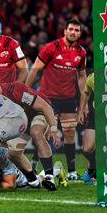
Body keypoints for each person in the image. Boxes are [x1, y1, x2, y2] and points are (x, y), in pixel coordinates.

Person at [26, 19, 87, 180]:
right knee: (45, 134)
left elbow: (81, 77)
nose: (73, 32)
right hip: (48, 98)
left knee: (69, 132)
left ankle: (72, 171)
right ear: (65, 31)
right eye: (71, 29)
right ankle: (33, 164)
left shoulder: (81, 52)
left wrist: (84, 101)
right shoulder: (51, 48)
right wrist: (25, 91)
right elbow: (35, 70)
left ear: (79, 34)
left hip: (68, 99)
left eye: (77, 30)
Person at [0, 76, 62, 191]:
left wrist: (53, 129)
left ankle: (49, 177)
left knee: (36, 132)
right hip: (20, 120)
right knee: (13, 154)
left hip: (37, 112)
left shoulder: (16, 91)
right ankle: (34, 181)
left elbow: (45, 107)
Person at [77, 72, 96, 184]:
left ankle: (96, 171)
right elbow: (85, 92)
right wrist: (81, 110)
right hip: (95, 114)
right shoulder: (92, 77)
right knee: (86, 149)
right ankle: (93, 167)